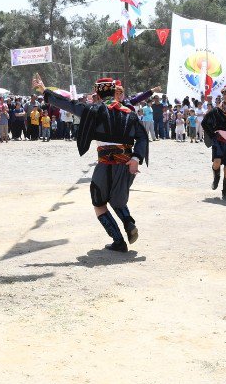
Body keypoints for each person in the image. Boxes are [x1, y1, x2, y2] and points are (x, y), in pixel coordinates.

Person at [32, 73, 149, 252]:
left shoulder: (93, 111)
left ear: (98, 93)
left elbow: (68, 104)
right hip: (126, 164)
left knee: (99, 201)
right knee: (117, 200)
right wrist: (136, 158)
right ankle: (128, 222)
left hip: (105, 163)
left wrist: (44, 90)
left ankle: (118, 241)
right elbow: (142, 137)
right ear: (114, 91)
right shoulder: (129, 114)